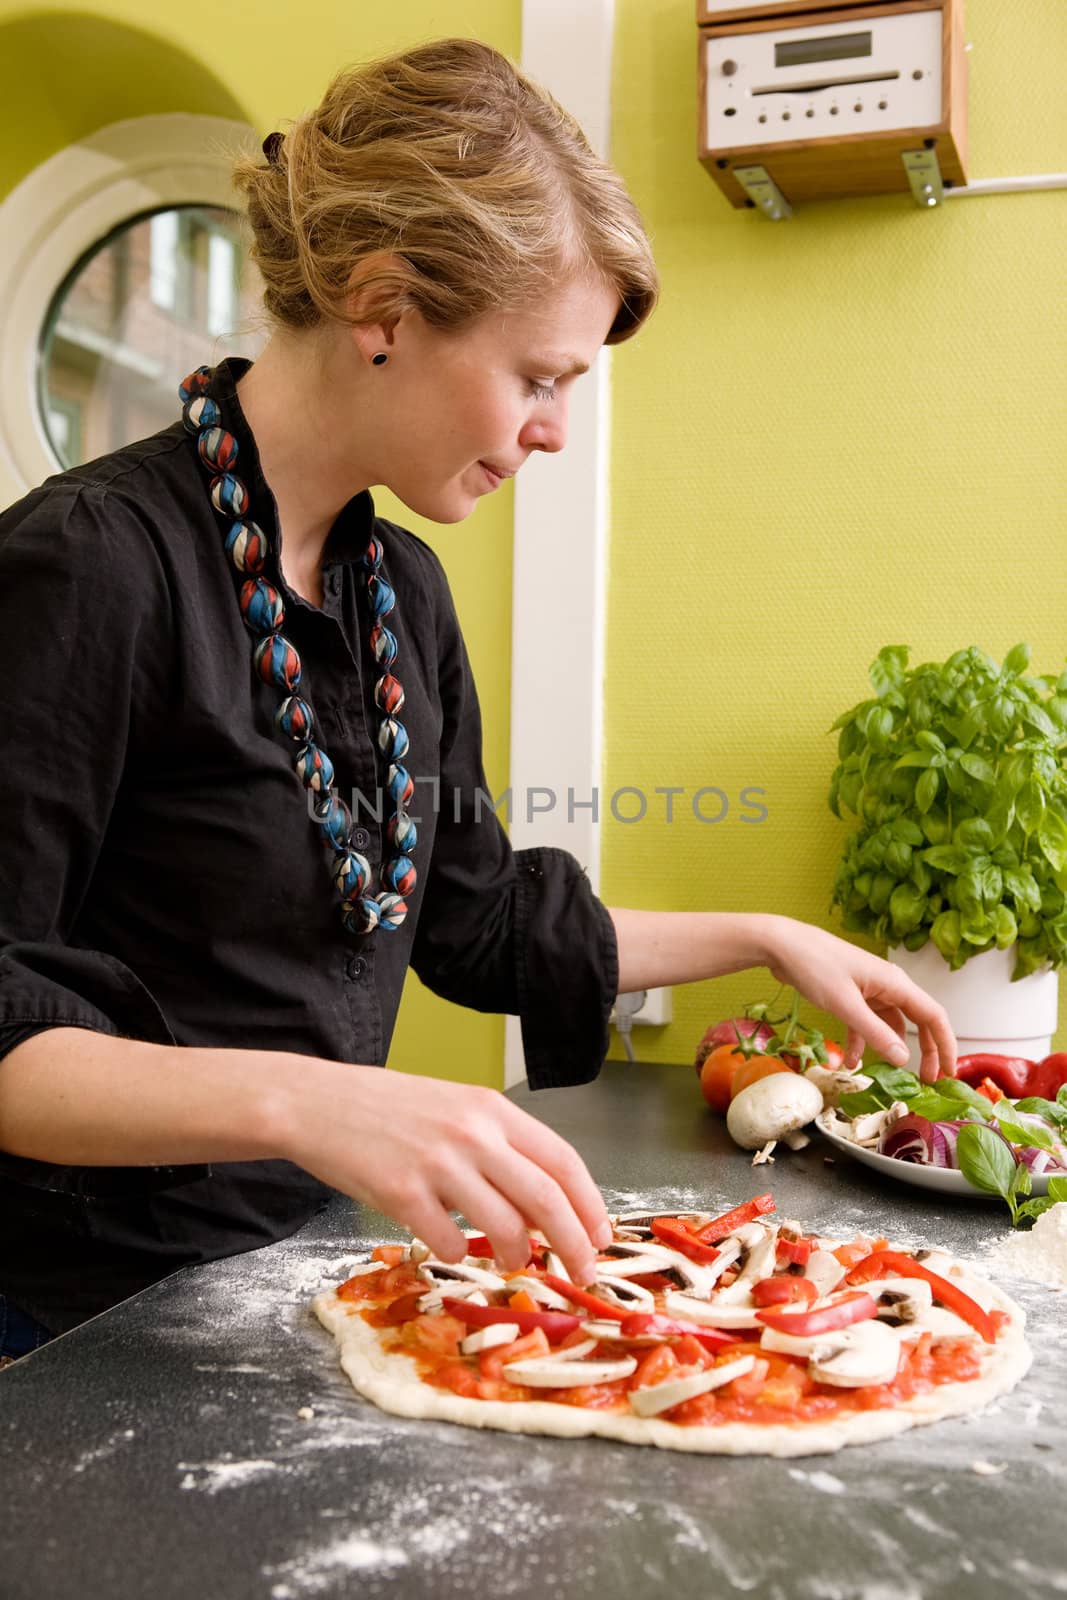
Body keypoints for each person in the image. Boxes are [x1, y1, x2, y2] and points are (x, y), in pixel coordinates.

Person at [0, 38, 955, 1360]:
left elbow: (473, 917)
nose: (556, 428)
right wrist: (316, 1104)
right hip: (57, 1325)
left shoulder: (402, 592)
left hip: (277, 1281)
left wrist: (765, 934)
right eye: (540, 376)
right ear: (383, 308)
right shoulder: (89, 562)